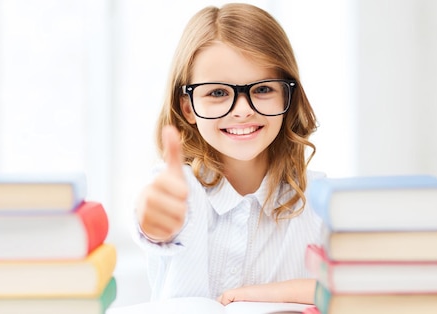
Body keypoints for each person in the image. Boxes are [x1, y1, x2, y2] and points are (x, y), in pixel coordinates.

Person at [133, 2, 325, 305]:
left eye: (262, 89)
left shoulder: (318, 200)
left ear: (288, 95)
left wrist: (257, 297)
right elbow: (156, 221)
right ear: (188, 107)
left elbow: (350, 291)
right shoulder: (179, 188)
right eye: (218, 93)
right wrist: (155, 219)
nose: (243, 110)